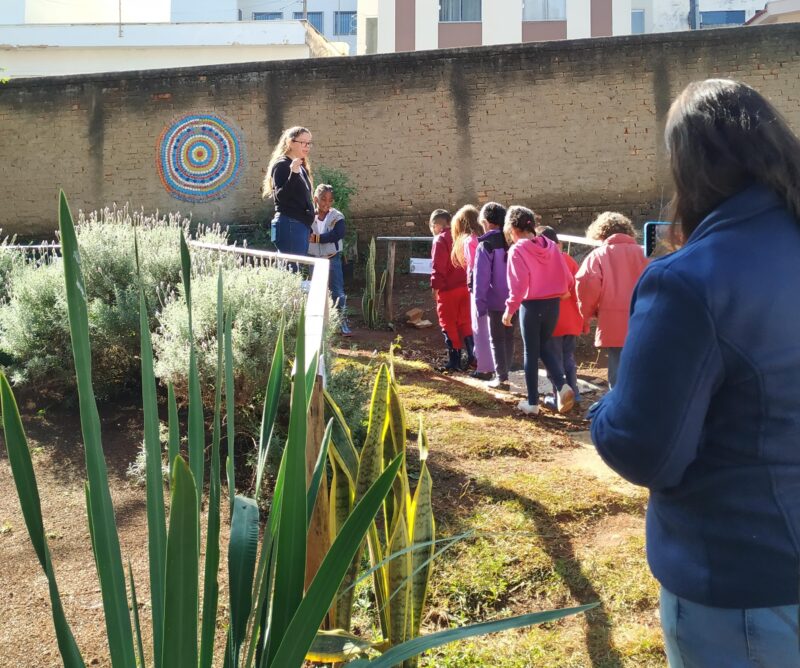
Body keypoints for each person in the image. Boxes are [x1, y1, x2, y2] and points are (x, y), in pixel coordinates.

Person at [589, 79, 800, 666]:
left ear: (690, 168)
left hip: (743, 587)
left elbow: (645, 449)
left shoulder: (689, 279)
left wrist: (600, 406)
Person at [501, 206, 575, 416]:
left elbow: (518, 284)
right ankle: (562, 385)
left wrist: (509, 310)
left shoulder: (517, 250)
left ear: (513, 229)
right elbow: (567, 277)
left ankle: (532, 402)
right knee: (543, 345)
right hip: (553, 304)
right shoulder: (551, 245)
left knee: (530, 352)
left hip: (531, 306)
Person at [575, 212, 648, 389]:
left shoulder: (598, 256)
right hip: (646, 319)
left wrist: (586, 314)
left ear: (600, 234)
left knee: (617, 370)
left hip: (614, 323)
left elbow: (586, 284)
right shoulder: (647, 253)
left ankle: (617, 409)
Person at [536, 226, 584, 409]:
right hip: (571, 320)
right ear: (559, 243)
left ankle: (559, 397)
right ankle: (576, 394)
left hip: (553, 321)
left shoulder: (544, 262)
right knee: (568, 359)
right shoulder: (570, 260)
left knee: (553, 363)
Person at [450, 204, 494, 379]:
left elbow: (473, 267)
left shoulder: (469, 240)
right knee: (490, 328)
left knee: (479, 328)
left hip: (477, 287)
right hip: (491, 287)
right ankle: (492, 364)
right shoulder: (485, 238)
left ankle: (483, 367)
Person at [474, 202, 513, 390]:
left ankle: (502, 377)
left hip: (495, 299)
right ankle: (507, 371)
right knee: (509, 336)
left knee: (497, 339)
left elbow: (480, 279)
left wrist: (479, 304)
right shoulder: (512, 242)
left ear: (486, 222)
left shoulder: (485, 244)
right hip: (515, 298)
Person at [262, 126, 315, 259]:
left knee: (294, 269)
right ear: (290, 143)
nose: (307, 146)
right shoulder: (282, 165)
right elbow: (281, 197)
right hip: (290, 224)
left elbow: (302, 199)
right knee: (291, 269)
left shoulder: (300, 166)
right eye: (303, 142)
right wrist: (294, 174)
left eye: (309, 143)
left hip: (300, 225)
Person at [430, 209, 472, 373]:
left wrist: (435, 287)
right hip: (465, 286)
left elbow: (437, 267)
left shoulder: (440, 240)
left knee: (448, 323)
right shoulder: (462, 237)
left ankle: (454, 360)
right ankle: (472, 357)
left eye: (433, 227)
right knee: (465, 321)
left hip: (448, 289)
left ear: (437, 225)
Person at [307, 183, 351, 336]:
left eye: (330, 200)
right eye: (323, 199)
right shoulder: (308, 217)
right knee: (316, 291)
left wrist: (317, 238)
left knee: (338, 291)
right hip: (314, 259)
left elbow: (337, 235)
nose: (327, 203)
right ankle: (319, 324)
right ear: (316, 199)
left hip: (332, 259)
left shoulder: (337, 216)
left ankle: (343, 322)